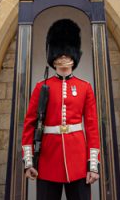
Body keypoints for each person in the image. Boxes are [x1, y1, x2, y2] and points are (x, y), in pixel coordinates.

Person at [22, 19, 100, 200]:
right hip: (48, 160)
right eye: (59, 53)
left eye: (67, 52)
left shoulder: (85, 87)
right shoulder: (42, 87)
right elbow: (29, 125)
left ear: (74, 56)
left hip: (78, 161)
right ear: (52, 57)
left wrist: (92, 165)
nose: (63, 56)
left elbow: (92, 127)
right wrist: (29, 161)